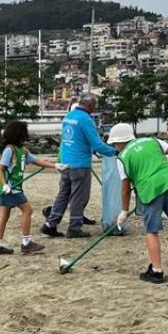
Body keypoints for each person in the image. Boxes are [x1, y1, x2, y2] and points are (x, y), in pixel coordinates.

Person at [108, 123, 168, 284]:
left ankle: (156, 271)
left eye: (114, 144)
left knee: (152, 231)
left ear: (119, 142)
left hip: (150, 191)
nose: (115, 147)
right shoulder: (152, 141)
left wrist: (123, 211)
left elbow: (125, 189)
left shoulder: (122, 158)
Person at [41, 96, 117, 239]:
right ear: (89, 105)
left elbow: (71, 139)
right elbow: (97, 144)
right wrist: (114, 152)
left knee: (63, 194)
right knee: (78, 197)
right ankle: (74, 227)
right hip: (80, 164)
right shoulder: (86, 120)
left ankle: (50, 224)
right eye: (94, 105)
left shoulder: (69, 116)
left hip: (66, 162)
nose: (95, 108)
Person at [0, 120, 58, 256]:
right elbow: (0, 169)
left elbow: (36, 161)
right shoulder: (10, 150)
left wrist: (56, 166)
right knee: (28, 210)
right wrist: (4, 185)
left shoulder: (22, 150)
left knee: (4, 215)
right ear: (19, 134)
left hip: (10, 188)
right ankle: (26, 243)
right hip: (10, 188)